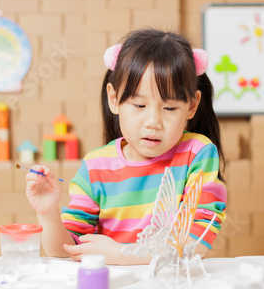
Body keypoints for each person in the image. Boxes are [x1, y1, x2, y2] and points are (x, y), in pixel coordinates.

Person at [25, 29, 227, 265]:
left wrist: (123, 254)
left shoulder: (198, 154)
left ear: (191, 106)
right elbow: (67, 249)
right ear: (114, 99)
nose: (153, 122)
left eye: (169, 108)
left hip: (169, 287)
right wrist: (48, 214)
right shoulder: (96, 166)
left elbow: (197, 241)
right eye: (139, 105)